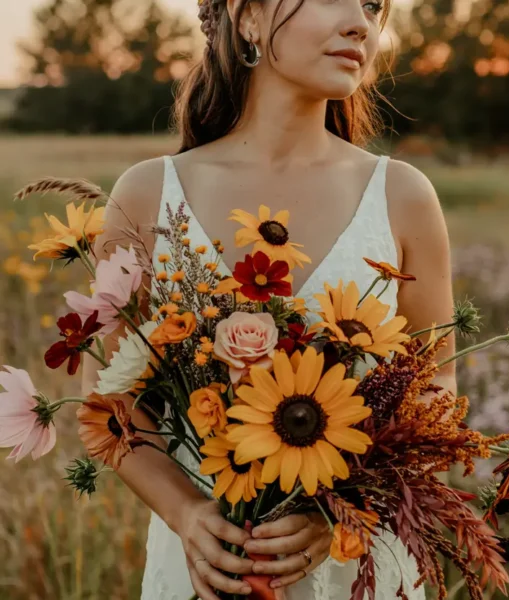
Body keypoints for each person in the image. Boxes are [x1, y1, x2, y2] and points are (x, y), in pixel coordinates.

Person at [82, 0, 457, 597]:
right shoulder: (149, 194)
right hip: (203, 567)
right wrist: (187, 514)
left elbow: (436, 398)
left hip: (355, 565)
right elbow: (107, 402)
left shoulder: (404, 196)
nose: (362, 23)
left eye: (372, 5)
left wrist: (337, 513)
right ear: (249, 16)